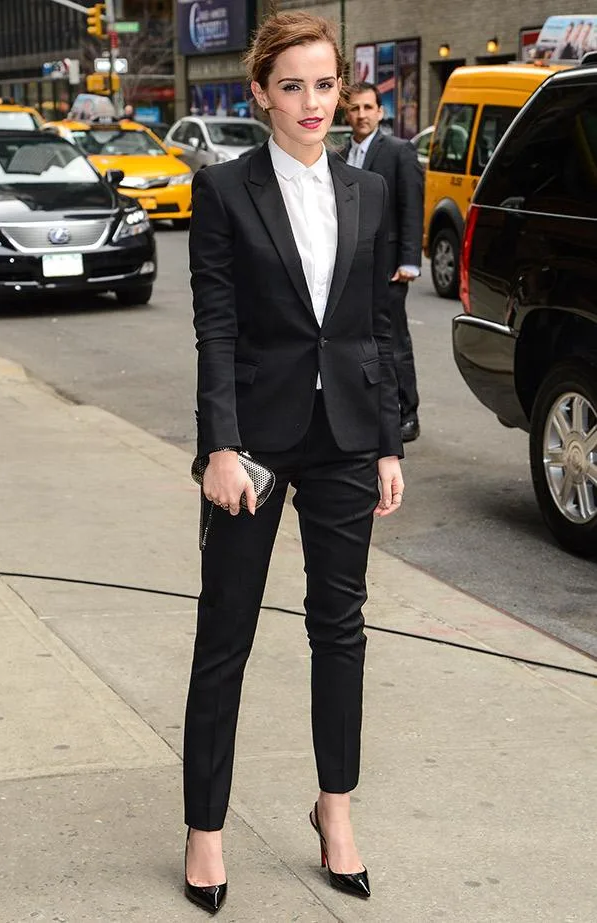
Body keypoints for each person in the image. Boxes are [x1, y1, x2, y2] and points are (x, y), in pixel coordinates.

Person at [182, 10, 404, 915]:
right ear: (261, 93)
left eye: (325, 85)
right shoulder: (225, 191)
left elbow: (378, 329)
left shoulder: (369, 192)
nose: (312, 103)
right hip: (257, 443)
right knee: (224, 634)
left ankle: (335, 810)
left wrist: (390, 440)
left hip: (347, 435)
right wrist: (218, 446)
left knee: (339, 630)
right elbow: (216, 329)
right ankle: (204, 829)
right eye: (293, 86)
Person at [344, 82, 424, 443]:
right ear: (347, 114)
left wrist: (410, 260)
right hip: (352, 267)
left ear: (380, 112)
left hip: (390, 265)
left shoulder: (398, 151)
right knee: (359, 342)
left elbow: (411, 207)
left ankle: (408, 414)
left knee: (394, 343)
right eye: (354, 108)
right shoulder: (340, 154)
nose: (361, 115)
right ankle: (369, 410)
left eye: (367, 108)